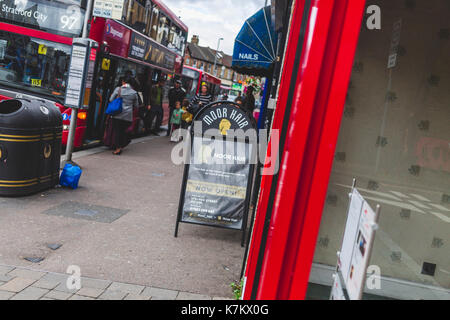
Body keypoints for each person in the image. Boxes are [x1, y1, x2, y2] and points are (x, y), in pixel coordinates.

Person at [109, 76, 139, 155]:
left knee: (117, 131)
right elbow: (136, 105)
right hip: (128, 116)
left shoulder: (118, 89)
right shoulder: (134, 93)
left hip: (117, 114)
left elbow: (111, 100)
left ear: (123, 82)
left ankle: (118, 148)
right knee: (122, 131)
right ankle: (120, 146)